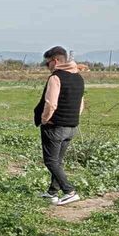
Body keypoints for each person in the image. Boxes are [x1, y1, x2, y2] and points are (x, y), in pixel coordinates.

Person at [34, 46, 84, 206]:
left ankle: (69, 191)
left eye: (47, 63)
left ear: (55, 61)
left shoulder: (56, 78)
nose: (47, 66)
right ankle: (52, 192)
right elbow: (80, 104)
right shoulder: (78, 77)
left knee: (50, 161)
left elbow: (51, 104)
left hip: (55, 127)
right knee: (58, 161)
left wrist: (44, 119)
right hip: (71, 126)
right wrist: (72, 119)